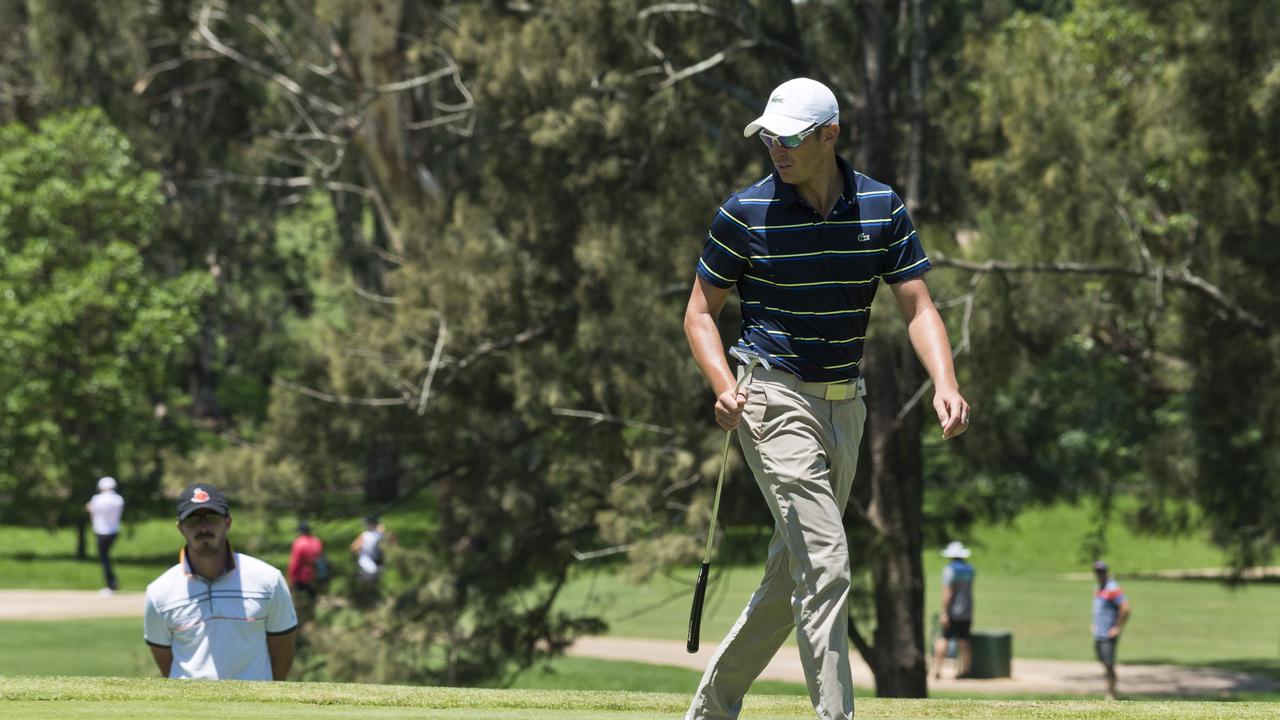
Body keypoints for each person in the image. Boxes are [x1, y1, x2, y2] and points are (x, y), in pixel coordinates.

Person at [683, 77, 969, 720]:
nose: (775, 149)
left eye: (788, 139)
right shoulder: (745, 211)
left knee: (796, 573)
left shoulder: (879, 206)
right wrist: (724, 389)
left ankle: (709, 710)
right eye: (768, 138)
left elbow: (919, 306)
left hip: (847, 405)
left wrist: (945, 384)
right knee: (828, 562)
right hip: (772, 398)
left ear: (829, 135)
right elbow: (700, 314)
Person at [143, 484, 297, 680]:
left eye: (212, 518)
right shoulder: (159, 593)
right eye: (193, 521)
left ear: (228, 522)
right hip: (188, 708)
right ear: (180, 528)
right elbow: (166, 662)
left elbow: (283, 656)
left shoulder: (268, 581)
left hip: (252, 708)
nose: (204, 528)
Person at [933, 541, 976, 680]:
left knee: (944, 638)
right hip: (967, 610)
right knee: (964, 641)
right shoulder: (970, 570)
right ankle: (966, 671)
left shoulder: (949, 570)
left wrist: (944, 612)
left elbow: (948, 593)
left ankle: (937, 670)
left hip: (952, 612)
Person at [1091, 560, 1131, 700]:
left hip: (1108, 634)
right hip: (1099, 633)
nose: (1099, 574)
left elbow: (1125, 608)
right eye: (1097, 572)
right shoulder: (1099, 587)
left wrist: (1118, 627)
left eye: (1101, 572)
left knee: (1109, 664)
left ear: (1106, 572)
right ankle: (1110, 689)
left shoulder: (1112, 588)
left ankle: (1112, 693)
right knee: (1103, 662)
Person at [85, 476, 125, 594]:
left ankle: (111, 584)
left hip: (101, 531)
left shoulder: (97, 499)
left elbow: (90, 509)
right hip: (114, 531)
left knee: (104, 558)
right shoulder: (118, 499)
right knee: (106, 557)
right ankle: (112, 583)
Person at [287, 521, 325, 601]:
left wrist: (291, 577)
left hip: (300, 577)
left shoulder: (299, 543)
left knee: (299, 601)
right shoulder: (317, 542)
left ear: (300, 531)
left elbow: (295, 563)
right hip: (314, 576)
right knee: (311, 600)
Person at [350, 515, 389, 583]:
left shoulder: (379, 533)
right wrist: (358, 549)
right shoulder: (365, 535)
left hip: (377, 559)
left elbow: (384, 532)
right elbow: (353, 547)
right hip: (365, 558)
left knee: (381, 571)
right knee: (373, 570)